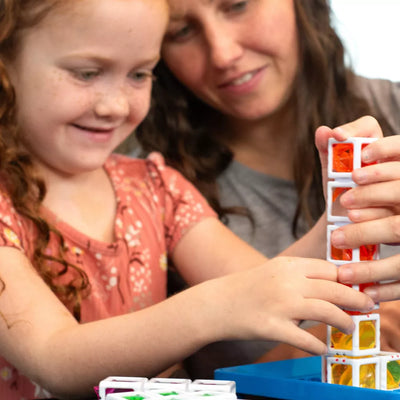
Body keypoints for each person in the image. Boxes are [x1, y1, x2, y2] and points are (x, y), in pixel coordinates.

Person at [0, 0, 380, 399]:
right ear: (6, 66)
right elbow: (54, 358)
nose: (114, 105)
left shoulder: (158, 187)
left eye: (139, 73)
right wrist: (213, 308)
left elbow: (273, 282)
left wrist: (340, 217)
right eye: (87, 73)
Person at [134, 0, 400, 377]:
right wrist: (334, 342)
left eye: (238, 5)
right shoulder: (149, 192)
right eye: (181, 31)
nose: (224, 54)